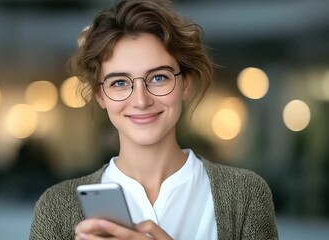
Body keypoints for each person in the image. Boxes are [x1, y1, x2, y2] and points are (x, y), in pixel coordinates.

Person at [30, 0, 278, 239]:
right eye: (119, 82)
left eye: (159, 77)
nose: (141, 100)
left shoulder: (245, 195)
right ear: (100, 95)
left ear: (185, 84)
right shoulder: (56, 208)